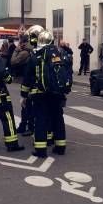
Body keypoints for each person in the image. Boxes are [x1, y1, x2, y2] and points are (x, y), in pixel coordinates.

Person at [22, 30, 72, 158]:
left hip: (41, 94)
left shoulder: (36, 56)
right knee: (58, 119)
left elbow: (28, 78)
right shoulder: (61, 53)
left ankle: (41, 150)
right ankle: (60, 147)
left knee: (41, 121)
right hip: (58, 93)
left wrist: (24, 94)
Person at [17, 25, 44, 136]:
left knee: (34, 110)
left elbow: (28, 75)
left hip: (35, 88)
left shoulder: (33, 55)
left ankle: (33, 129)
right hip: (45, 88)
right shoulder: (52, 53)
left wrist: (23, 93)